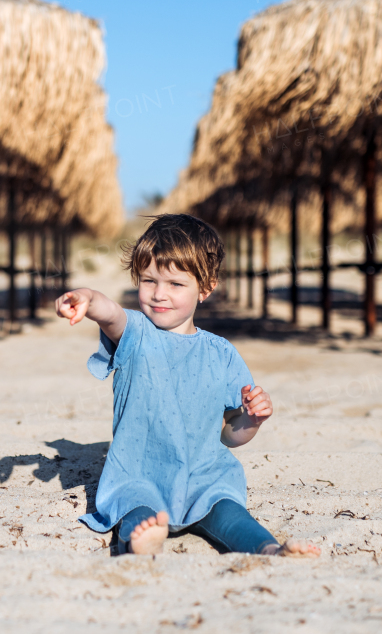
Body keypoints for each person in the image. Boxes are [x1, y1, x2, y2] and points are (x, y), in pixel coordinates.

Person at [56, 214, 320, 557]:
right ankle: (141, 542)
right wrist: (87, 298)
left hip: (204, 475)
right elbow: (111, 313)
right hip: (138, 475)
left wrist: (252, 420)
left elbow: (229, 433)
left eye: (175, 284)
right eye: (149, 280)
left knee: (230, 511)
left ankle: (268, 548)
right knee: (136, 509)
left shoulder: (222, 353)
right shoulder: (135, 333)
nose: (158, 294)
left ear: (205, 288)